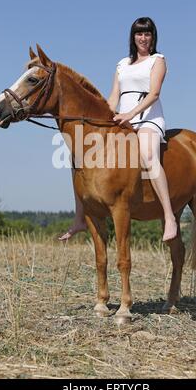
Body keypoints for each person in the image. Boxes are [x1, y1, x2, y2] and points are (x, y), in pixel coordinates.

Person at [59, 17, 177, 242]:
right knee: (80, 158)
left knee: (149, 155)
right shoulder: (122, 64)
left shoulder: (157, 60)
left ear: (153, 37)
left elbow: (154, 94)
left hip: (148, 118)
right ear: (133, 37)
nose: (143, 38)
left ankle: (169, 216)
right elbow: (114, 96)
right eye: (139, 34)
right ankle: (79, 219)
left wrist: (131, 115)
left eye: (147, 33)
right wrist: (103, 117)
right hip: (121, 118)